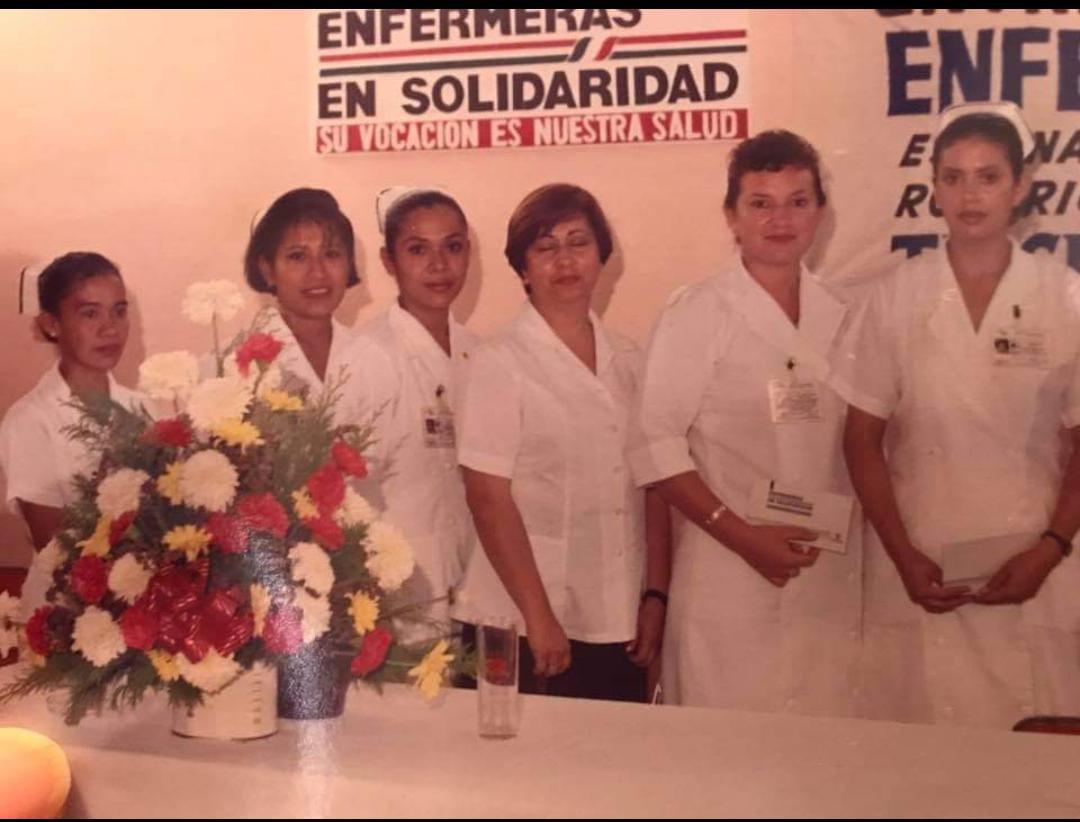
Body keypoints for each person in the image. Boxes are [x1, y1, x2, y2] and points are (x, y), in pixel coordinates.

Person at [839, 102, 1080, 728]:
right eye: (954, 176)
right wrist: (903, 555)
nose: (970, 194)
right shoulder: (894, 297)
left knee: (1037, 766)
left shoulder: (1065, 293)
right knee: (927, 763)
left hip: (1035, 559)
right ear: (934, 188)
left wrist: (1050, 547)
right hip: (922, 560)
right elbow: (861, 440)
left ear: (1021, 186)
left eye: (989, 176)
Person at [628, 131, 862, 715]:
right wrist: (744, 538)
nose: (780, 219)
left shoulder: (848, 313)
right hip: (728, 568)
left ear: (820, 212)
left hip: (829, 576)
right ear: (732, 215)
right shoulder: (698, 312)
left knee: (820, 774)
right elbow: (654, 446)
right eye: (761, 202)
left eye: (798, 201)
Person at [453, 183, 671, 702]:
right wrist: (538, 616)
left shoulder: (631, 360)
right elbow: (487, 496)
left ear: (602, 256)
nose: (565, 259)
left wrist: (655, 595)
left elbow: (655, 484)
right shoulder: (498, 361)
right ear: (523, 268)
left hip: (618, 620)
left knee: (609, 777)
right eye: (545, 247)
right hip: (526, 624)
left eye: (578, 242)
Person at [349, 187, 479, 639]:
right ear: (389, 261)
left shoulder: (483, 356)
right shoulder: (363, 356)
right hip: (398, 602)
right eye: (418, 249)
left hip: (478, 594)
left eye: (453, 247)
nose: (439, 266)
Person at [0, 252, 142, 617]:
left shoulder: (144, 409)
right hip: (67, 613)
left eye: (119, 311)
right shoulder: (29, 421)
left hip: (144, 602)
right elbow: (55, 546)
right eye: (89, 313)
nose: (110, 328)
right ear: (52, 324)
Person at [243, 188, 361, 403]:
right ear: (268, 270)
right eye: (298, 256)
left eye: (331, 254)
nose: (318, 272)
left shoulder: (374, 357)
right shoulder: (232, 363)